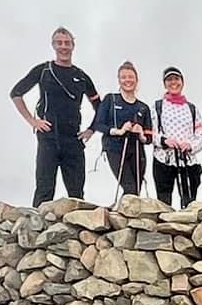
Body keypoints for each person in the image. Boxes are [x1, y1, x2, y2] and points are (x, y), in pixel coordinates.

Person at [9, 27, 99, 206]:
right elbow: (16, 93)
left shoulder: (81, 76)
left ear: (73, 45)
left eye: (67, 43)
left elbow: (100, 106)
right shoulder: (43, 70)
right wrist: (32, 121)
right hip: (48, 137)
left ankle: (77, 223)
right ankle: (37, 223)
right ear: (53, 45)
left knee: (76, 193)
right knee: (44, 189)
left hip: (73, 139)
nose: (63, 47)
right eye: (59, 43)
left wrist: (91, 129)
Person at [91, 62, 153, 199]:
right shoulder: (111, 99)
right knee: (130, 187)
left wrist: (141, 133)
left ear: (136, 80)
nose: (127, 80)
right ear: (119, 80)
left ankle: (124, 211)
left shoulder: (143, 107)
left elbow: (149, 138)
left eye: (130, 77)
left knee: (136, 189)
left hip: (137, 151)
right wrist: (118, 131)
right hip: (115, 148)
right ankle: (120, 210)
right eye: (123, 77)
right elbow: (98, 124)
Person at [152, 68, 202, 209]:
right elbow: (152, 133)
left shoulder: (192, 109)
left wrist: (190, 145)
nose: (173, 82)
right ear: (165, 84)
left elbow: (201, 136)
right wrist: (164, 141)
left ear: (182, 82)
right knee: (163, 203)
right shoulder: (157, 106)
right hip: (163, 160)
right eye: (169, 79)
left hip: (187, 161)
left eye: (176, 79)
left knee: (189, 203)